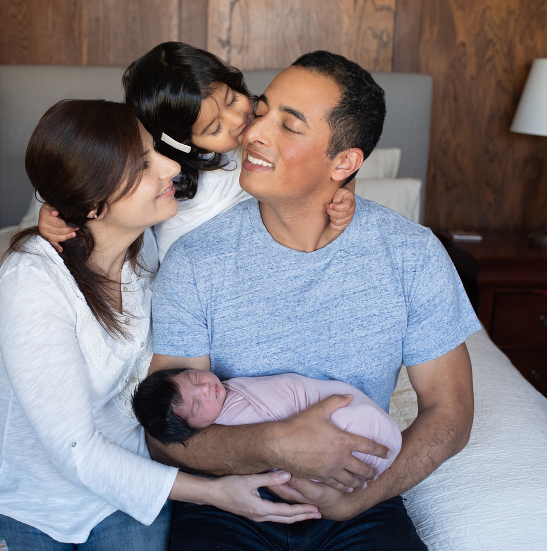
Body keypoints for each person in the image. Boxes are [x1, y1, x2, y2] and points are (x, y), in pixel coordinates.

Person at [148, 51, 482, 550]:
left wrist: (360, 499)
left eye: (291, 125)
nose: (254, 133)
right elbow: (163, 432)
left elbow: (449, 413)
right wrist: (276, 443)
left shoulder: (411, 254)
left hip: (360, 496)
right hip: (231, 500)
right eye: (261, 112)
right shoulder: (196, 258)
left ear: (344, 162)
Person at [0, 99, 323, 551]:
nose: (172, 167)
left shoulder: (145, 247)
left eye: (156, 151)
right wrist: (217, 493)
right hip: (29, 505)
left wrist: (336, 192)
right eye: (143, 165)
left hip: (123, 498)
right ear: (92, 204)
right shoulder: (32, 283)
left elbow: (259, 189)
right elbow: (77, 452)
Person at [36, 42, 355, 261]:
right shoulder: (165, 181)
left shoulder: (274, 129)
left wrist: (343, 193)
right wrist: (56, 213)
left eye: (231, 99)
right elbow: (97, 188)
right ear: (179, 142)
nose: (237, 119)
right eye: (214, 128)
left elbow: (333, 158)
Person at [131, 368, 402, 476]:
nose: (205, 389)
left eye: (194, 378)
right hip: (354, 439)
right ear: (194, 429)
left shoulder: (226, 391)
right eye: (199, 405)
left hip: (360, 420)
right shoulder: (232, 418)